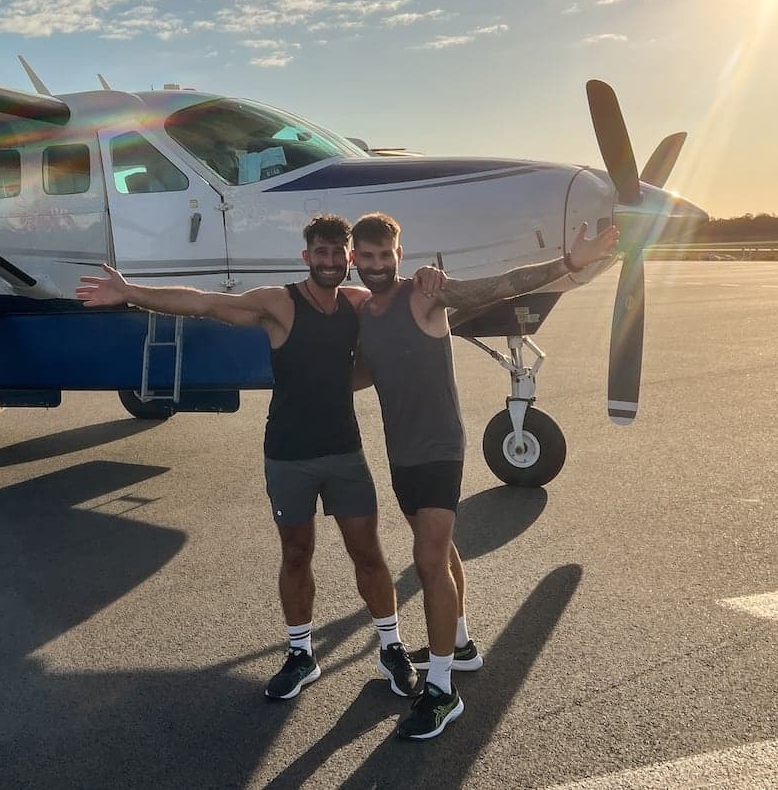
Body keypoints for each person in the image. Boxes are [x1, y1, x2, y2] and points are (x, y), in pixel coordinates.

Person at [75, 215, 428, 701]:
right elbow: (206, 304)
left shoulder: (357, 304)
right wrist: (130, 292)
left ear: (350, 259)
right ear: (306, 257)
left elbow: (409, 303)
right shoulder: (278, 304)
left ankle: (391, 647)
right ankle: (301, 655)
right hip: (288, 454)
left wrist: (430, 281)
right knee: (296, 554)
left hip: (345, 450)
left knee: (367, 553)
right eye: (319, 253)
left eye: (337, 254)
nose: (329, 262)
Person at [349, 212, 619, 740]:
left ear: (399, 256)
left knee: (427, 562)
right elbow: (363, 373)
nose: (379, 266)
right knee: (442, 552)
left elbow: (501, 286)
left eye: (388, 257)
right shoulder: (364, 314)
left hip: (440, 450)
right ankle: (464, 645)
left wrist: (568, 264)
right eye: (369, 258)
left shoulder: (425, 296)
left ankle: (443, 690)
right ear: (356, 259)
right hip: (401, 451)